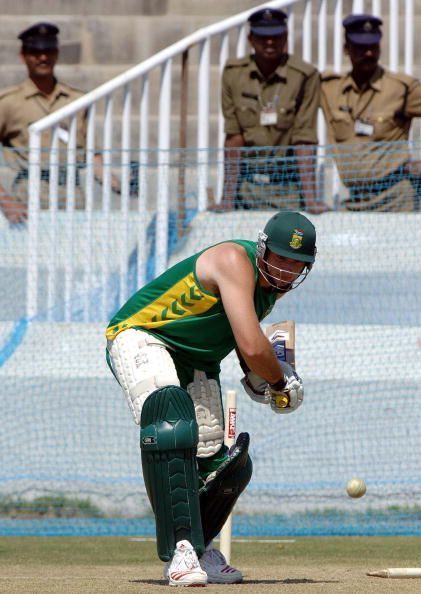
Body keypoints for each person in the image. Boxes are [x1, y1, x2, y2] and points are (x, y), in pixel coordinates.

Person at [105, 210, 316, 586]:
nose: (285, 270)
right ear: (263, 250)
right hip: (143, 335)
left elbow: (243, 343)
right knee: (171, 425)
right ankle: (181, 550)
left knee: (225, 466)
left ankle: (200, 547)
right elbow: (253, 345)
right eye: (281, 258)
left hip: (198, 359)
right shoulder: (234, 259)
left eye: (296, 263)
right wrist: (281, 380)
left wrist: (259, 379)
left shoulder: (270, 291)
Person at [0, 22, 120, 224]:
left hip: (72, 198)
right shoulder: (9, 102)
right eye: (35, 52)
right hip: (28, 199)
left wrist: (117, 184)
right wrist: (6, 201)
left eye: (48, 51)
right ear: (23, 55)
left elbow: (92, 155)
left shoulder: (76, 101)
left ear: (56, 53)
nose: (43, 57)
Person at [213, 7, 329, 214]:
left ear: (285, 37)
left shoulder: (304, 75)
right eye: (262, 37)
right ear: (250, 39)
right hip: (246, 191)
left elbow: (304, 137)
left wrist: (311, 201)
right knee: (246, 246)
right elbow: (234, 136)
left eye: (276, 37)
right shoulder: (233, 74)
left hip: (288, 191)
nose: (269, 42)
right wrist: (227, 200)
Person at [321, 14, 421, 211]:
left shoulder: (401, 88)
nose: (368, 53)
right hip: (353, 200)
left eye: (373, 47)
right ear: (346, 49)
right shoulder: (329, 89)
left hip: (396, 198)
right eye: (360, 48)